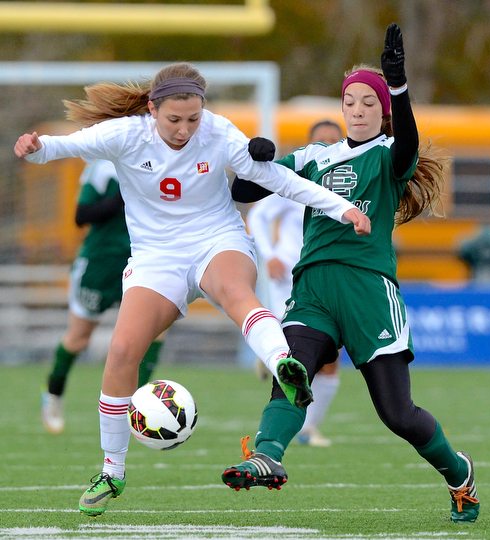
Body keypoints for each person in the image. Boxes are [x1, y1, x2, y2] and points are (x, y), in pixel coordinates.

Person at [14, 62, 371, 517]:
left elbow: (277, 180)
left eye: (193, 119)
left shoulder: (220, 132)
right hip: (155, 258)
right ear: (152, 109)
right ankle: (112, 471)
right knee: (122, 351)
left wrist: (341, 209)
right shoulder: (127, 134)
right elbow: (64, 145)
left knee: (238, 294)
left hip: (216, 239)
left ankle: (285, 364)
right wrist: (35, 147)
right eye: (174, 120)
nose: (185, 130)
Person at [223, 23, 479, 524]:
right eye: (350, 102)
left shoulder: (387, 155)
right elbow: (246, 193)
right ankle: (267, 453)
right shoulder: (314, 157)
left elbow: (408, 143)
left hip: (367, 291)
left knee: (397, 414)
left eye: (368, 102)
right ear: (340, 109)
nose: (357, 110)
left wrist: (399, 87)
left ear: (381, 110)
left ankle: (458, 472)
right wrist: (253, 161)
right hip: (313, 287)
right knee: (291, 370)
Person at [41, 159, 164, 435]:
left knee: (156, 330)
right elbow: (81, 215)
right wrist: (126, 192)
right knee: (78, 338)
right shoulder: (104, 166)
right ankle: (53, 394)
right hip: (101, 263)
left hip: (142, 261)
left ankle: (136, 407)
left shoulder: (162, 158)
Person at [247, 119, 343, 447]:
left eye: (334, 140)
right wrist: (270, 254)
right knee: (296, 353)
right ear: (309, 145)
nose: (328, 146)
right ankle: (271, 351)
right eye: (321, 141)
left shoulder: (349, 183)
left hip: (329, 281)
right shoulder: (298, 180)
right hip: (289, 277)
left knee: (330, 360)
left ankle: (308, 428)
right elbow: (257, 215)